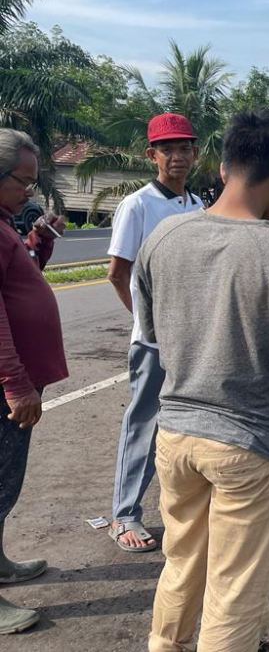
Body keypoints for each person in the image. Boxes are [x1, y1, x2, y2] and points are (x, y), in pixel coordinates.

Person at [134, 109, 269, 652]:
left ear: (223, 167)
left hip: (175, 436)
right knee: (235, 593)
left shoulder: (166, 235)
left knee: (181, 565)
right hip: (252, 444)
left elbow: (150, 329)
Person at [106, 113, 204, 552]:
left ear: (195, 153)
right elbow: (116, 272)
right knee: (143, 425)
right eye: (168, 149)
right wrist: (147, 324)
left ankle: (184, 507)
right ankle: (124, 514)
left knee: (186, 425)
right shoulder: (139, 205)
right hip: (154, 343)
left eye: (185, 147)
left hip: (194, 340)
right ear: (153, 155)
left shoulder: (197, 206)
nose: (178, 156)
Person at [0, 129, 68, 634]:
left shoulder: (4, 225)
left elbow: (19, 277)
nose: (31, 190)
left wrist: (38, 243)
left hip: (17, 380)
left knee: (6, 483)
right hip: (6, 386)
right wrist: (15, 382)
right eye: (23, 181)